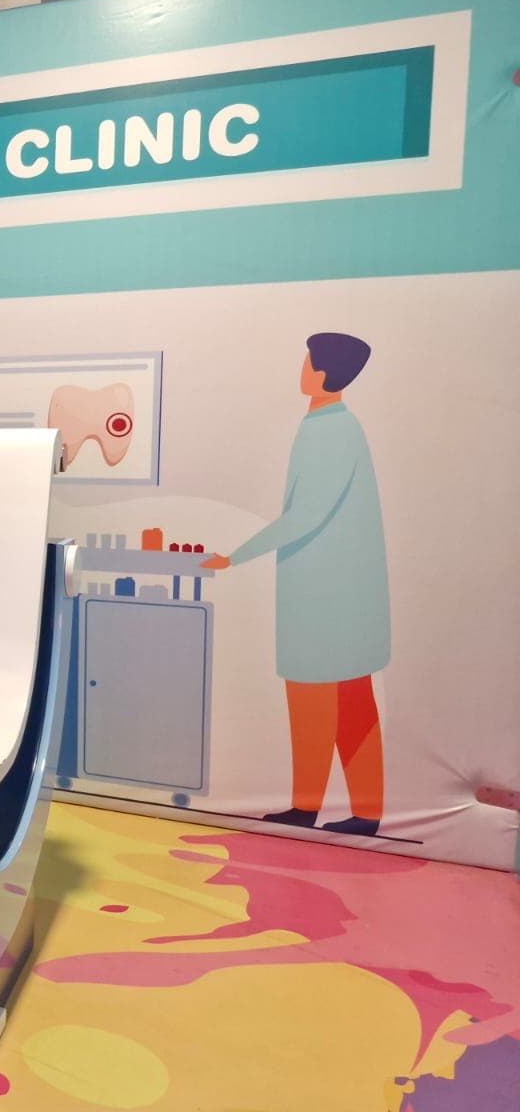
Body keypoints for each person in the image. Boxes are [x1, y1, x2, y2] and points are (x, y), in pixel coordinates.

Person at [203, 332, 388, 836]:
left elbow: (303, 515)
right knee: (353, 701)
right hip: (346, 594)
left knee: (314, 700)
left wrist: (234, 556)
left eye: (308, 361)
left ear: (323, 373)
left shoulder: (326, 430)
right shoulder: (343, 426)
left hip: (319, 594)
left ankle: (306, 806)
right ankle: (366, 813)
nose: (303, 369)